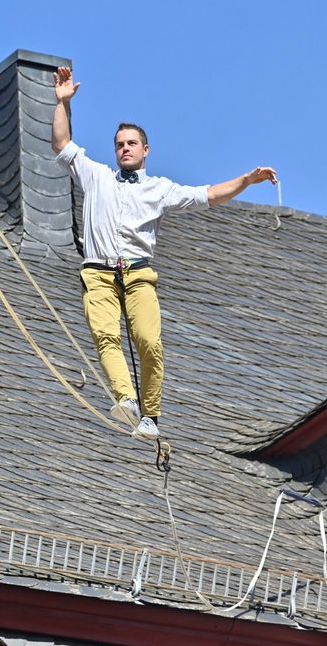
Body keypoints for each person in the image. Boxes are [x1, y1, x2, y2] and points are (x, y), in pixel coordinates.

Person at [51, 66, 277, 440]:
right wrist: (62, 103)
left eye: (131, 143)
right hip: (98, 272)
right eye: (119, 144)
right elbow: (62, 144)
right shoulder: (97, 176)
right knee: (105, 336)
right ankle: (125, 398)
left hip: (137, 273)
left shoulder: (159, 189)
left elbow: (207, 195)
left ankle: (150, 415)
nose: (124, 149)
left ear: (145, 150)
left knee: (149, 342)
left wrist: (245, 181)